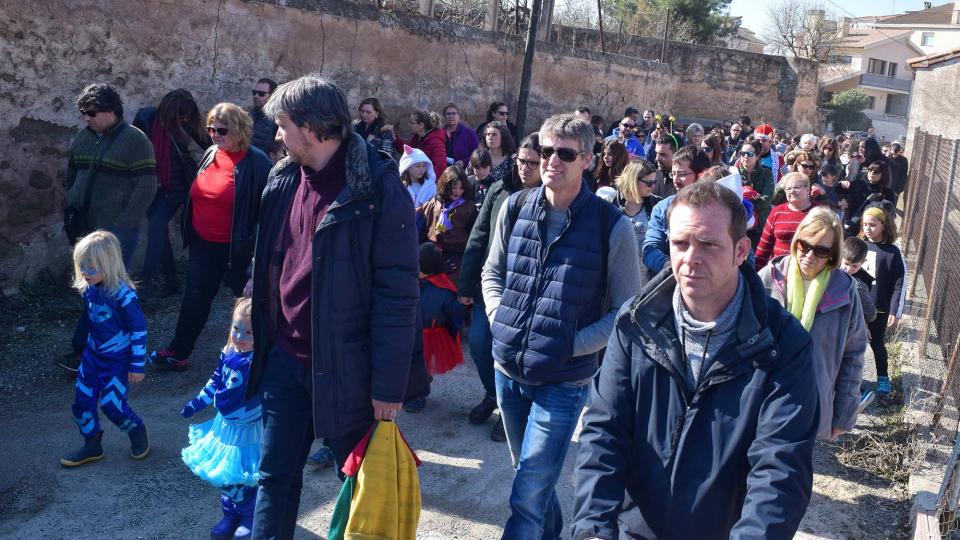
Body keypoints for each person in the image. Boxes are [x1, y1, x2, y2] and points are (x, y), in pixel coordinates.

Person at [572, 180, 818, 540]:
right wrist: (593, 529)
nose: (690, 258)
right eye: (680, 244)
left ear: (741, 251)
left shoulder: (784, 345)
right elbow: (604, 432)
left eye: (708, 245)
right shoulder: (634, 324)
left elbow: (779, 469)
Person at [246, 76, 420, 539]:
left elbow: (398, 296)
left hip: (349, 368)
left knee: (357, 486)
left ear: (312, 127)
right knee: (274, 477)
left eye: (283, 125)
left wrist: (388, 387)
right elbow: (272, 258)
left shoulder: (379, 191)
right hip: (285, 359)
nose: (277, 136)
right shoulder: (283, 179)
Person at [482, 114, 642, 538]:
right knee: (530, 479)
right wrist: (502, 320)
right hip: (508, 372)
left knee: (528, 492)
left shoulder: (612, 226)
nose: (552, 160)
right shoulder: (515, 206)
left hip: (563, 382)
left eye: (565, 153)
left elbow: (627, 309)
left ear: (587, 160)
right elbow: (491, 272)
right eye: (546, 150)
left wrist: (573, 345)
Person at [152, 103, 272, 372]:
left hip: (238, 251)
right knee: (194, 299)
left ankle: (263, 361)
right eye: (210, 128)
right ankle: (178, 352)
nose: (214, 134)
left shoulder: (258, 163)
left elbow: (267, 217)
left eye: (221, 129)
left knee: (252, 306)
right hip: (204, 244)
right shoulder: (211, 153)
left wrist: (255, 261)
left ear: (239, 130)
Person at [61, 83, 156, 371]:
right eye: (83, 113)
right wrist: (71, 203)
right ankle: (105, 347)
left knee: (106, 290)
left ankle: (86, 351)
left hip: (115, 233)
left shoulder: (135, 140)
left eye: (91, 112)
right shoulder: (84, 137)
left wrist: (122, 225)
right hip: (85, 227)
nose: (86, 118)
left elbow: (147, 187)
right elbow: (72, 173)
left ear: (111, 111)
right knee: (97, 290)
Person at [458, 134, 542, 443]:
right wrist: (466, 284)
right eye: (521, 160)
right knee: (480, 344)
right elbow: (479, 236)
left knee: (514, 355)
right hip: (491, 287)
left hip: (527, 293)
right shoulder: (499, 189)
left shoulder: (553, 198)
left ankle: (513, 410)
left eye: (532, 163)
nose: (524, 168)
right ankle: (493, 396)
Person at [759, 208, 867, 441]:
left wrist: (843, 416)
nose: (809, 255)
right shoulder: (769, 278)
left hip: (810, 402)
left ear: (833, 254)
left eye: (820, 250)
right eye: (804, 246)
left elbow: (853, 356)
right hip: (764, 397)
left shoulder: (844, 291)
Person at [61, 231, 149, 467]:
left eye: (91, 267)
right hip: (92, 357)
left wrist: (137, 365)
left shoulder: (124, 295)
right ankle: (92, 444)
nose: (85, 272)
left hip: (118, 361)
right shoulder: (90, 290)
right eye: (82, 266)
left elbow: (139, 330)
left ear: (109, 264)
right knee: (81, 402)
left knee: (112, 405)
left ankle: (137, 430)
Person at [180, 298, 262, 540]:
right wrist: (197, 403)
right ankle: (230, 513)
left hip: (250, 430)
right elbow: (215, 382)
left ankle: (250, 516)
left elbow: (267, 395)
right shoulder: (227, 352)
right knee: (224, 472)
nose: (240, 336)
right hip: (224, 427)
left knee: (245, 472)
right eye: (236, 329)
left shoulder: (260, 360)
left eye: (249, 332)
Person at [132, 89, 209, 299]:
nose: (184, 120)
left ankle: (146, 283)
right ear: (170, 111)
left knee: (156, 226)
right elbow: (134, 148)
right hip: (152, 183)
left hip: (178, 186)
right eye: (181, 116)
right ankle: (171, 279)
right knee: (159, 231)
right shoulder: (146, 118)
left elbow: (210, 145)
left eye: (187, 116)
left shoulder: (186, 119)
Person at [642, 146, 711, 275]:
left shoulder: (719, 208)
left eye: (682, 174)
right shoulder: (663, 208)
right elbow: (649, 250)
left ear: (702, 174)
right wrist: (670, 267)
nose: (675, 180)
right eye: (673, 174)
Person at [859, 207, 906, 395]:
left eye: (873, 225)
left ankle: (883, 378)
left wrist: (894, 310)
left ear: (884, 226)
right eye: (865, 224)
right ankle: (852, 380)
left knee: (877, 343)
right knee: (852, 346)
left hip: (879, 308)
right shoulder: (857, 245)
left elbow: (899, 283)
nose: (868, 228)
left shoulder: (893, 252)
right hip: (855, 306)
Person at [416, 165, 478, 283]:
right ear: (446, 185)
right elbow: (422, 229)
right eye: (454, 187)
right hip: (432, 255)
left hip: (456, 256)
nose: (458, 192)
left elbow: (473, 237)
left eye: (461, 188)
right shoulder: (434, 203)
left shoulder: (468, 207)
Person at [416, 242, 465, 380]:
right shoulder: (416, 281)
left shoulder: (443, 287)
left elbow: (455, 312)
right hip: (418, 330)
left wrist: (462, 304)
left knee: (420, 367)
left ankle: (419, 394)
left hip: (430, 335)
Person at [755, 173, 818, 270]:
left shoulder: (819, 212)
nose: (792, 191)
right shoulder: (777, 212)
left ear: (807, 189)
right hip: (779, 271)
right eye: (788, 189)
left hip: (809, 270)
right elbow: (765, 246)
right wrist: (757, 271)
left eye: (796, 187)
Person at [614, 159, 660, 282]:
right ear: (633, 180)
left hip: (647, 284)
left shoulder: (657, 204)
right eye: (649, 183)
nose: (653, 186)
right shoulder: (610, 204)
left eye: (654, 182)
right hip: (616, 282)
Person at [734, 139, 774, 248]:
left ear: (757, 156)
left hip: (759, 226)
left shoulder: (766, 173)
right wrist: (754, 198)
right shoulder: (733, 173)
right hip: (739, 225)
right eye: (743, 153)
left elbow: (766, 200)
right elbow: (731, 200)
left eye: (750, 154)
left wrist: (745, 203)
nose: (745, 157)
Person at [393, 109, 447, 179]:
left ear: (421, 125)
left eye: (412, 123)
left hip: (429, 185)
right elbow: (407, 151)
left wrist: (423, 179)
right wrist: (394, 137)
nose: (409, 125)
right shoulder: (417, 137)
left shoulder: (436, 141)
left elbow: (440, 167)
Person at [840, 236, 878, 325]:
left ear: (863, 263)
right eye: (846, 263)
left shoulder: (858, 285)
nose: (849, 269)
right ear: (840, 256)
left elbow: (871, 314)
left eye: (854, 266)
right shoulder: (830, 271)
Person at [481, 120, 517, 188]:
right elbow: (467, 180)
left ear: (503, 137)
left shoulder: (511, 161)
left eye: (494, 134)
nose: (490, 137)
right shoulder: (479, 157)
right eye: (488, 134)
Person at [442, 102, 480, 168]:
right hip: (443, 172)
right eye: (448, 114)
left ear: (458, 115)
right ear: (444, 116)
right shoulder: (440, 133)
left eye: (454, 113)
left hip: (463, 173)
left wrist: (464, 162)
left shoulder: (469, 133)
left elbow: (478, 154)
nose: (451, 116)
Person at [250, 77, 279, 153]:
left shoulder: (278, 119)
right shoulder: (251, 114)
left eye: (261, 94)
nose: (256, 96)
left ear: (272, 95)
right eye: (254, 92)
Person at [651, 133, 681, 198]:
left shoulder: (682, 183)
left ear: (676, 154)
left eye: (662, 154)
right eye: (657, 153)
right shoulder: (652, 177)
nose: (657, 158)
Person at [888, 142, 909, 208]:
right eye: (893, 154)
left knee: (892, 207)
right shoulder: (886, 158)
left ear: (899, 152)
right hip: (885, 186)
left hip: (895, 188)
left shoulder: (903, 160)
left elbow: (904, 176)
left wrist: (899, 190)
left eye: (896, 154)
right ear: (890, 150)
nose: (894, 156)